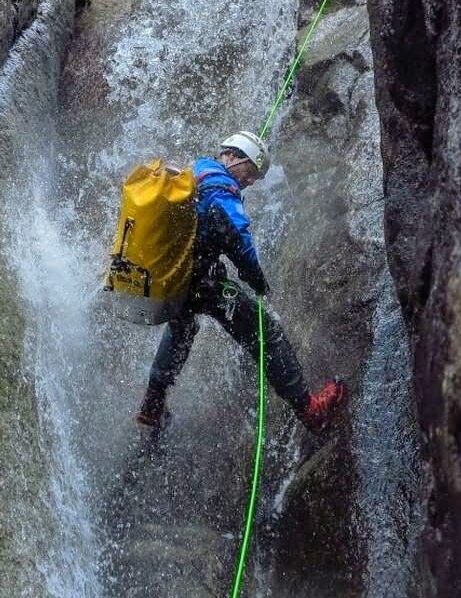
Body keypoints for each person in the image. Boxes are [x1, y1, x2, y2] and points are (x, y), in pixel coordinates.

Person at [136, 131, 348, 434]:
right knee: (265, 331)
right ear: (234, 158)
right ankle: (309, 409)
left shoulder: (195, 170)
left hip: (173, 276)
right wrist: (256, 278)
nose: (249, 182)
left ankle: (152, 404)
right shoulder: (221, 186)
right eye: (250, 174)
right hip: (200, 283)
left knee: (183, 325)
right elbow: (237, 237)